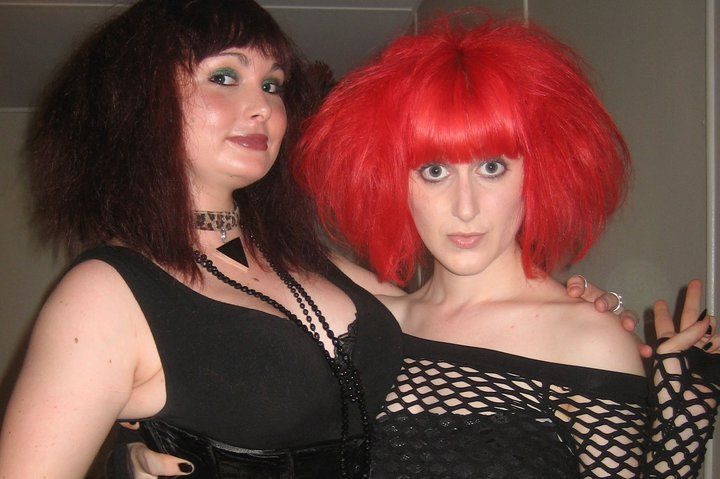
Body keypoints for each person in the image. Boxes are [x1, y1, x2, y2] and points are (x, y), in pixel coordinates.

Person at [0, 2, 634, 478]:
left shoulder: (309, 264)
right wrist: (125, 460)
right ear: (141, 99)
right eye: (224, 77)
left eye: (271, 85)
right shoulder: (107, 292)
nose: (261, 107)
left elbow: (465, 321)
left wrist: (594, 326)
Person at [293, 14, 720, 478]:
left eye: (492, 167)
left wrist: (682, 432)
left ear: (540, 170)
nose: (465, 207)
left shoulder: (586, 340)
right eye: (434, 171)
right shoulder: (374, 325)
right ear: (392, 180)